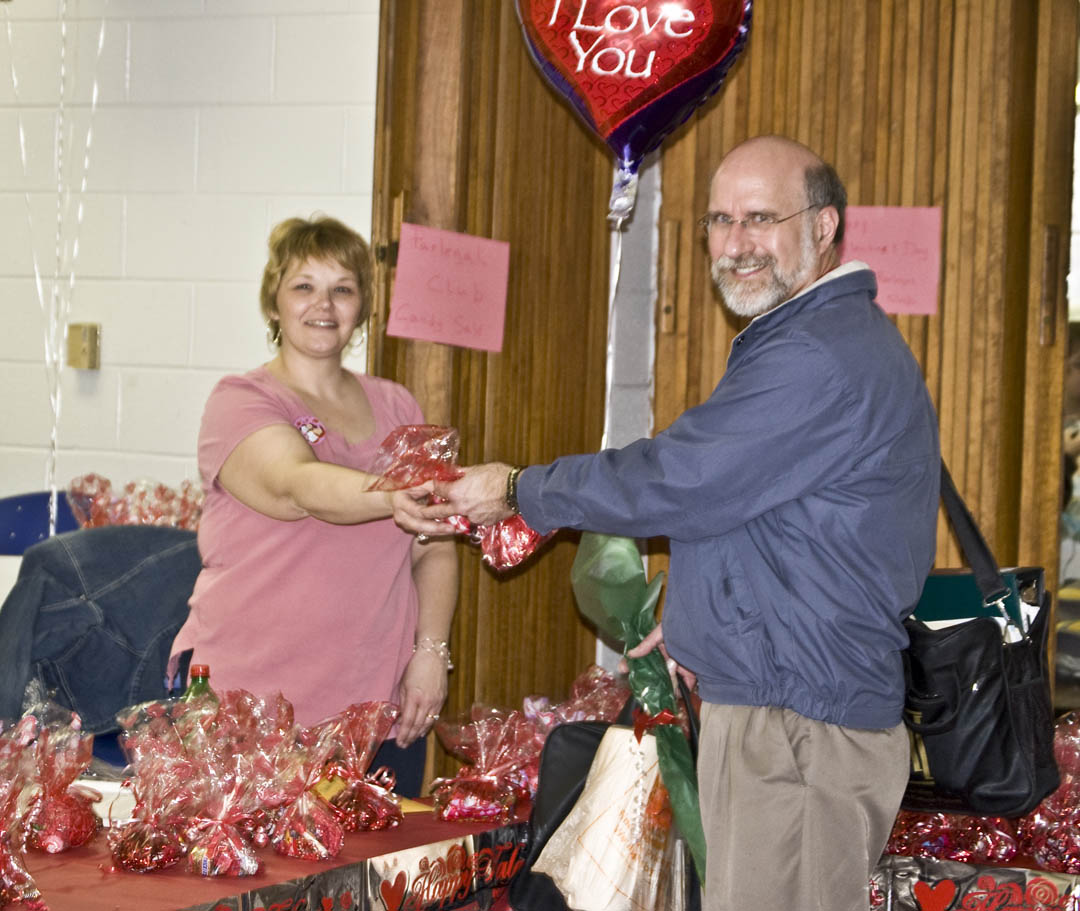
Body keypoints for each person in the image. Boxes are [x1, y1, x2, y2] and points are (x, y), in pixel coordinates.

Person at [393, 136, 941, 909]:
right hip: (782, 707)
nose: (737, 242)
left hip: (800, 729)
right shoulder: (806, 337)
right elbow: (753, 508)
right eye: (720, 220)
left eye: (760, 217)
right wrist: (692, 619)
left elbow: (682, 478)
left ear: (823, 228)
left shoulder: (820, 353)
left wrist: (521, 490)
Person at [169, 215, 457, 796]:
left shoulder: (399, 404)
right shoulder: (241, 399)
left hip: (378, 708)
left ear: (361, 306)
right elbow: (296, 487)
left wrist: (431, 654)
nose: (323, 304)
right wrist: (395, 494)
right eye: (303, 286)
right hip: (248, 705)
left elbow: (435, 545)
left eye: (342, 289)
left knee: (369, 884)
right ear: (273, 303)